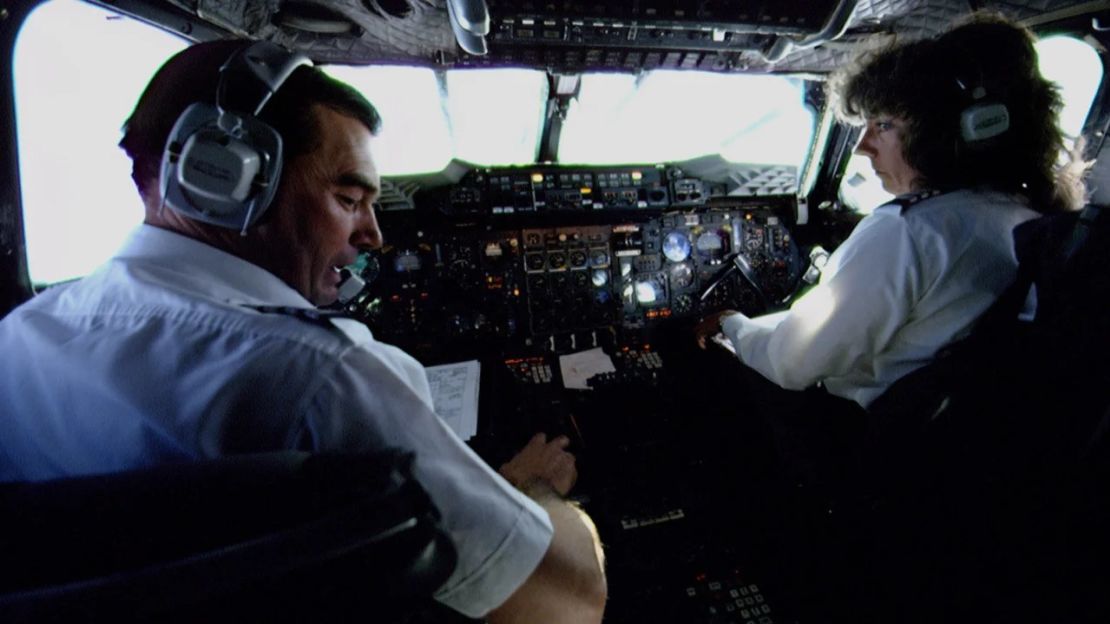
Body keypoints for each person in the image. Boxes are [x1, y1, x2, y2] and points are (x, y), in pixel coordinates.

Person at [0, 40, 606, 623]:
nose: (372, 235)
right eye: (348, 197)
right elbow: (564, 603)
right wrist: (532, 495)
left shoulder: (17, 340)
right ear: (231, 182)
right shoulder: (322, 376)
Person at [695, 13, 1084, 412]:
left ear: (947, 132)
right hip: (959, 434)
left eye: (883, 125)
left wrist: (731, 325)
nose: (862, 146)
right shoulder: (1031, 216)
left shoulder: (912, 231)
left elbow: (793, 362)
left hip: (874, 441)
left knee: (699, 364)